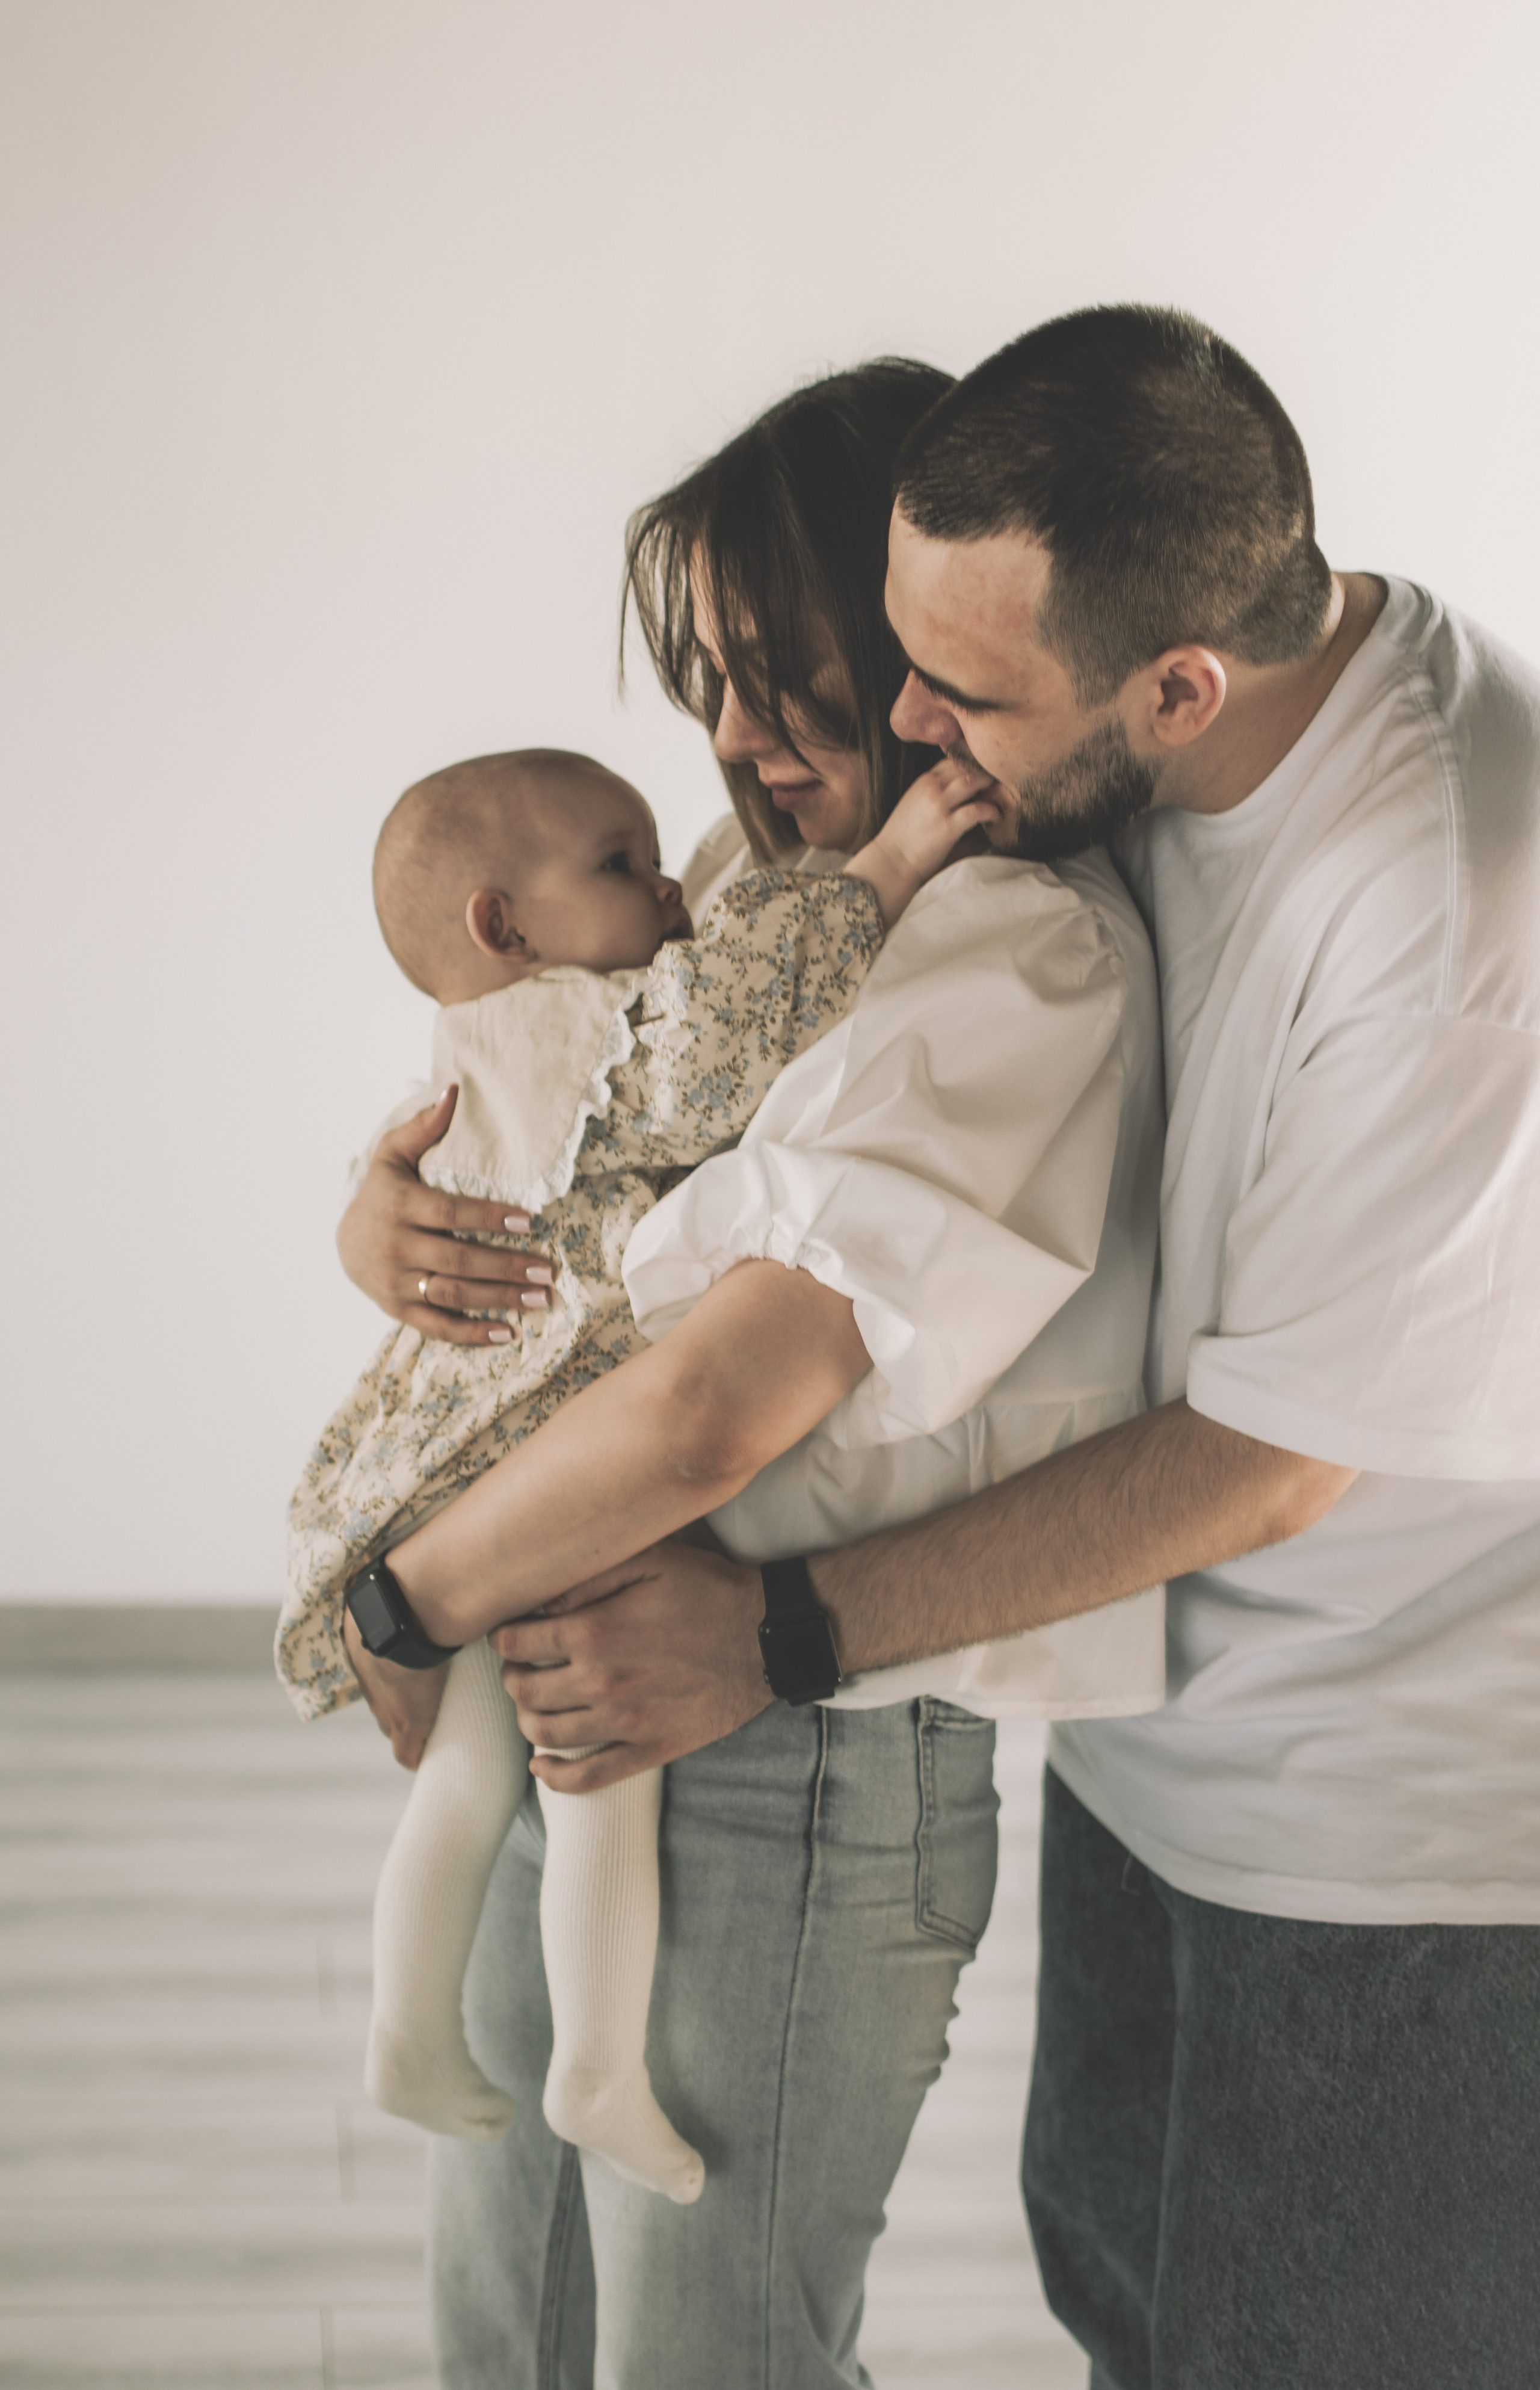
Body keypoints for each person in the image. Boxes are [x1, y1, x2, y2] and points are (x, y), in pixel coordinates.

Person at [475, 308, 1540, 2388]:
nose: (901, 715)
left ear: (1175, 685)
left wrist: (777, 1634)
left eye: (961, 689)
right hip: (1165, 1757)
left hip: (1395, 1841)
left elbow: (1266, 1462)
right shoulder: (1128, 747)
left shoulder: (1438, 911)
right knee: (1129, 2315)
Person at [335, 359, 1166, 2387]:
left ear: (917, 654)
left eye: (781, 667)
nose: (732, 733)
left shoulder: (1013, 955)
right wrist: (376, 1220)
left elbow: (723, 1398)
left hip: (788, 1764)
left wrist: (398, 1588)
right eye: (706, 673)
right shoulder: (736, 900)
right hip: (575, 1681)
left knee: (705, 2362)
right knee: (499, 2331)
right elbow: (548, 1141)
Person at [279, 739, 996, 2197]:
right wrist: (890, 866)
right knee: (590, 1761)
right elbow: (715, 1051)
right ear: (506, 925)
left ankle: (415, 2033)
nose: (669, 886)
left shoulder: (501, 1030)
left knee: (478, 1768)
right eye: (618, 866)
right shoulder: (580, 1025)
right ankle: (592, 2067)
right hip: (537, 1455)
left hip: (477, 1463)